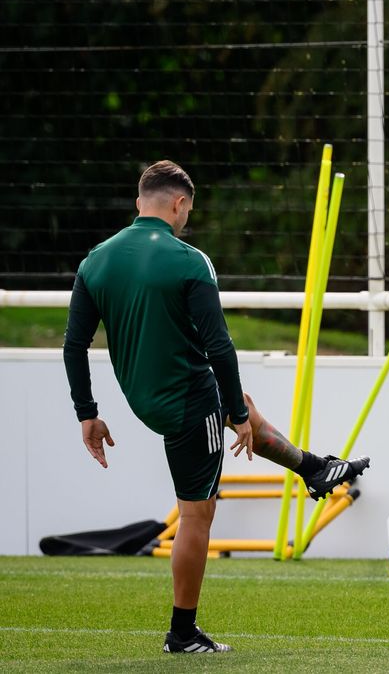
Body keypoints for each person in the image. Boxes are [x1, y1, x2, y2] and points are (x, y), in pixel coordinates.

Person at [63, 160, 371, 654]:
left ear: (140, 200)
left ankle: (313, 468)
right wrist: (239, 418)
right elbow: (220, 347)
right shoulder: (190, 260)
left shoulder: (95, 260)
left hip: (146, 399)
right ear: (180, 203)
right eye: (189, 210)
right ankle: (182, 633)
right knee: (196, 515)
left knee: (240, 404)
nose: (188, 219)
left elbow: (74, 346)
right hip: (189, 402)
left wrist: (88, 412)